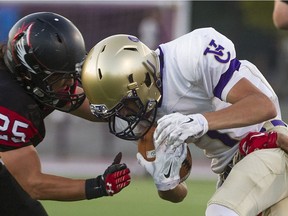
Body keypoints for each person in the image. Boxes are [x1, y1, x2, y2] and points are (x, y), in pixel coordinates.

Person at [81, 29, 288, 216]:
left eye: (125, 105)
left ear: (142, 81)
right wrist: (165, 182)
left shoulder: (190, 56)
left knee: (221, 211)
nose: (125, 114)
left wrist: (200, 121)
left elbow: (262, 105)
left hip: (268, 143)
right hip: (231, 172)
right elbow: (178, 194)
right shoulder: (143, 114)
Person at [0, 12, 131, 216]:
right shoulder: (10, 102)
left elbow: (97, 108)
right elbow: (32, 184)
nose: (70, 84)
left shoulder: (31, 79)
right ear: (28, 72)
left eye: (72, 75)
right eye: (61, 77)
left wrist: (136, 109)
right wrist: (99, 185)